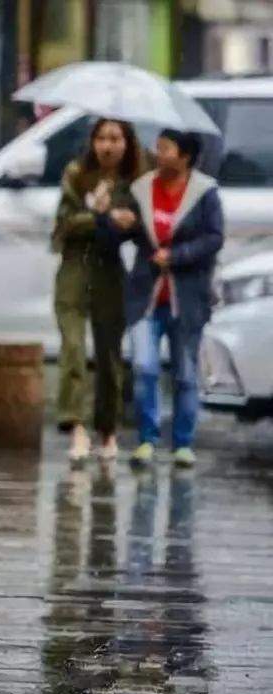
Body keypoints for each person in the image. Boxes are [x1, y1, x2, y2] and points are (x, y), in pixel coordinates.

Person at [123, 129, 224, 467]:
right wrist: (120, 222)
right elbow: (134, 233)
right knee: (144, 366)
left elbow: (214, 237)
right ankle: (147, 439)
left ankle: (182, 442)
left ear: (184, 157)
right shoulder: (141, 189)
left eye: (166, 148)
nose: (158, 153)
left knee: (184, 373)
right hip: (146, 298)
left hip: (187, 298)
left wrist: (177, 256)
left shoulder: (205, 193)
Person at [51, 118, 145, 464]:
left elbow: (143, 225)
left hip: (110, 269)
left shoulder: (134, 181)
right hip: (75, 267)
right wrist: (99, 215)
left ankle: (107, 430)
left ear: (127, 143)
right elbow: (64, 222)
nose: (108, 146)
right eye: (102, 138)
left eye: (116, 138)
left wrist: (129, 222)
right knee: (73, 348)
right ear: (92, 142)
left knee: (109, 354)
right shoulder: (77, 173)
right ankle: (75, 426)